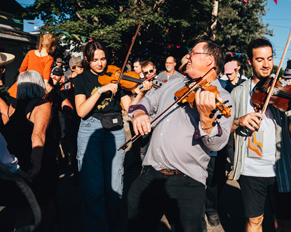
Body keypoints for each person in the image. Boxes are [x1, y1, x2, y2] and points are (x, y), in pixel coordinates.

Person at [127, 40, 234, 231]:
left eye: (193, 53)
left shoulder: (223, 98)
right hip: (151, 174)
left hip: (187, 182)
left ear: (210, 60)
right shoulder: (175, 82)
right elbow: (145, 103)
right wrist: (140, 113)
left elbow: (216, 144)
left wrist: (206, 119)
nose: (188, 57)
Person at [231, 38, 291, 232]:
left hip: (281, 169)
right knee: (254, 221)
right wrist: (239, 121)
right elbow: (225, 128)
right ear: (250, 61)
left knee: (285, 223)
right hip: (250, 170)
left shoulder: (286, 91)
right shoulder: (238, 93)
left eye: (269, 58)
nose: (267, 64)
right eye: (260, 59)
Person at [74, 40, 148, 232]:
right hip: (90, 127)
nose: (100, 64)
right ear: (87, 60)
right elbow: (81, 111)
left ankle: (115, 226)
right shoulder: (81, 79)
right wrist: (100, 90)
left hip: (115, 129)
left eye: (103, 59)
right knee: (93, 184)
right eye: (95, 60)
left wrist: (140, 93)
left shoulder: (116, 77)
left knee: (115, 183)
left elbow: (129, 107)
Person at [1, 70, 56, 231]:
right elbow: (37, 136)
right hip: (37, 161)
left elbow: (6, 131)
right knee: (46, 203)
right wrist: (37, 166)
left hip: (18, 162)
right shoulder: (42, 104)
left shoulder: (13, 105)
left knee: (23, 208)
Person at [8, 33, 58, 99]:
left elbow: (22, 68)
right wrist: (46, 85)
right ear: (52, 46)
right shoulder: (49, 58)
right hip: (38, 84)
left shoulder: (30, 53)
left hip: (26, 81)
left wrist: (20, 79)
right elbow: (46, 72)